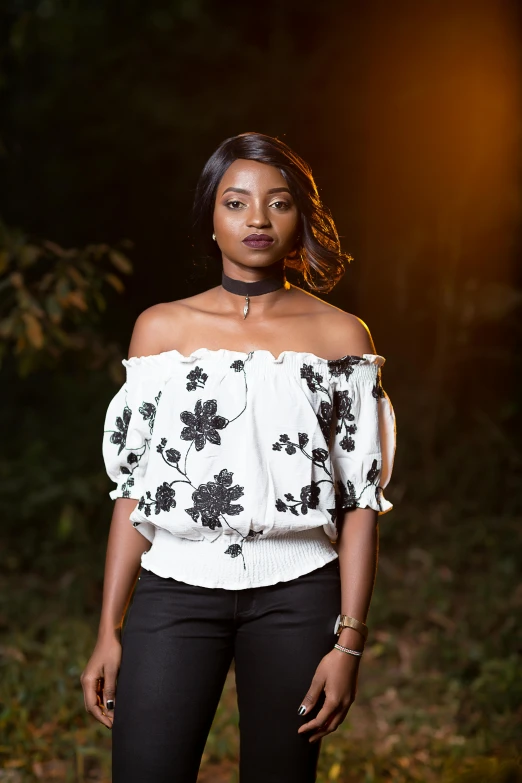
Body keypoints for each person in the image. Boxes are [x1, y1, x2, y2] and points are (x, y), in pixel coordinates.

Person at [80, 131, 397, 783]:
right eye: (236, 202)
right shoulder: (160, 330)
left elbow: (360, 498)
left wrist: (349, 641)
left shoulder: (341, 336)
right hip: (173, 592)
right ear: (211, 219)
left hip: (299, 594)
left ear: (299, 219)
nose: (258, 219)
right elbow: (134, 490)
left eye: (278, 203)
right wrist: (110, 628)